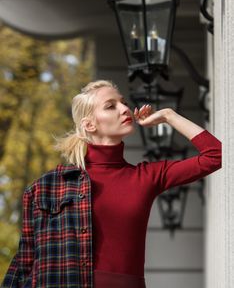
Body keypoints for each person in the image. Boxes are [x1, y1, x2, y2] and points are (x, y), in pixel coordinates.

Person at [1, 79, 222, 288]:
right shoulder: (46, 188)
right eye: (110, 106)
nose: (125, 109)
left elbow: (216, 155)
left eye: (124, 103)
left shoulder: (147, 177)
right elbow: (25, 263)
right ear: (89, 124)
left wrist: (168, 115)